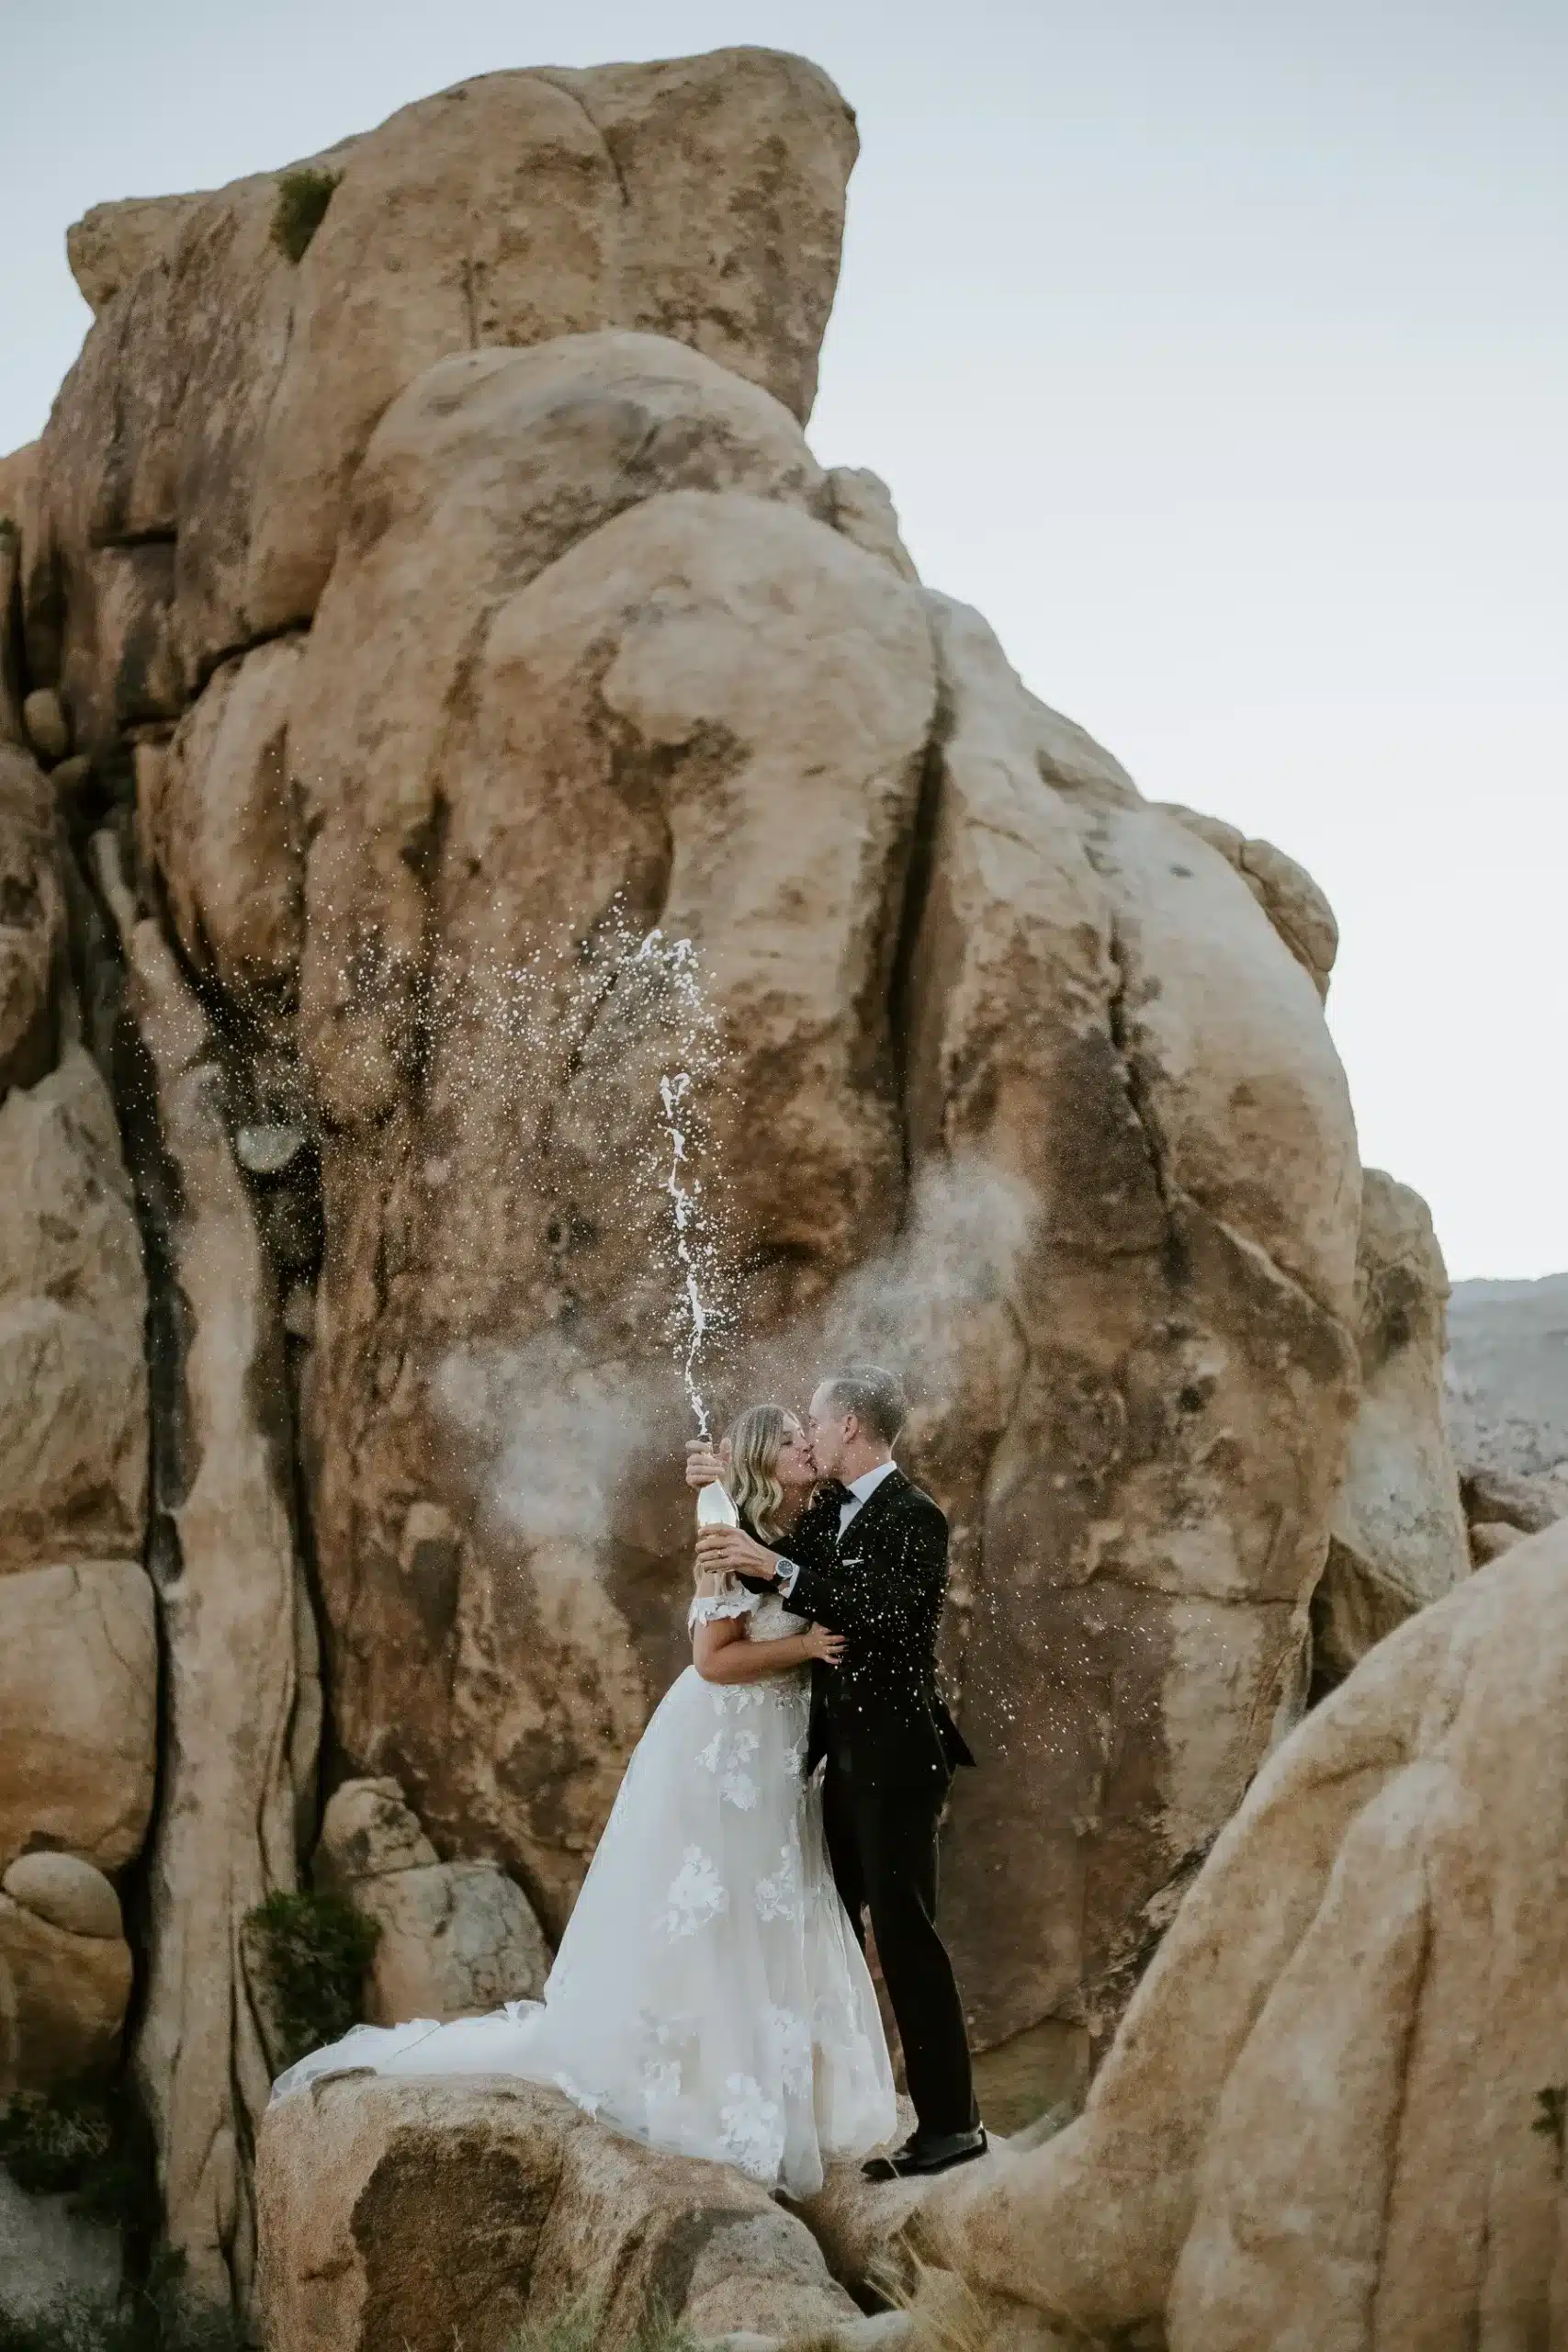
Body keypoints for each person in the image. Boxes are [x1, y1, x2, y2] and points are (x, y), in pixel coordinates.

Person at [269, 1404, 897, 2199]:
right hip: (723, 1740)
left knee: (771, 1899)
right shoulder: (724, 1538)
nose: (808, 1443)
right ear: (762, 1461)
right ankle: (707, 2083)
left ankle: (777, 2079)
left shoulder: (803, 1520)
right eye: (791, 1439)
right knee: (717, 1903)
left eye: (810, 1434)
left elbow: (840, 1544)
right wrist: (803, 1648)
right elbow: (712, 1660)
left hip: (774, 1746)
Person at [687, 1363, 984, 2180]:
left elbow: (878, 1613)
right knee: (826, 1931)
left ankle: (953, 2126)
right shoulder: (830, 1514)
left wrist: (776, 1567)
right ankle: (812, 2107)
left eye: (814, 1423)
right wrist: (716, 1486)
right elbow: (766, 1554)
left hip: (896, 1763)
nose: (809, 1437)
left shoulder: (913, 1515)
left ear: (849, 1425)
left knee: (905, 1939)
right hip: (844, 1763)